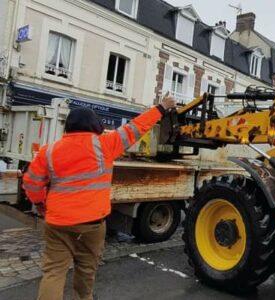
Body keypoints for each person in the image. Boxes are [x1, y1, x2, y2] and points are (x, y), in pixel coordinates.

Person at [22, 94, 176, 300]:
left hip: (58, 223)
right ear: (95, 125)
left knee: (53, 272)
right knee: (86, 269)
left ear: (68, 127)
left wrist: (40, 202)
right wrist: (161, 108)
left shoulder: (48, 152)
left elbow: (31, 183)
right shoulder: (105, 145)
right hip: (92, 224)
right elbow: (136, 128)